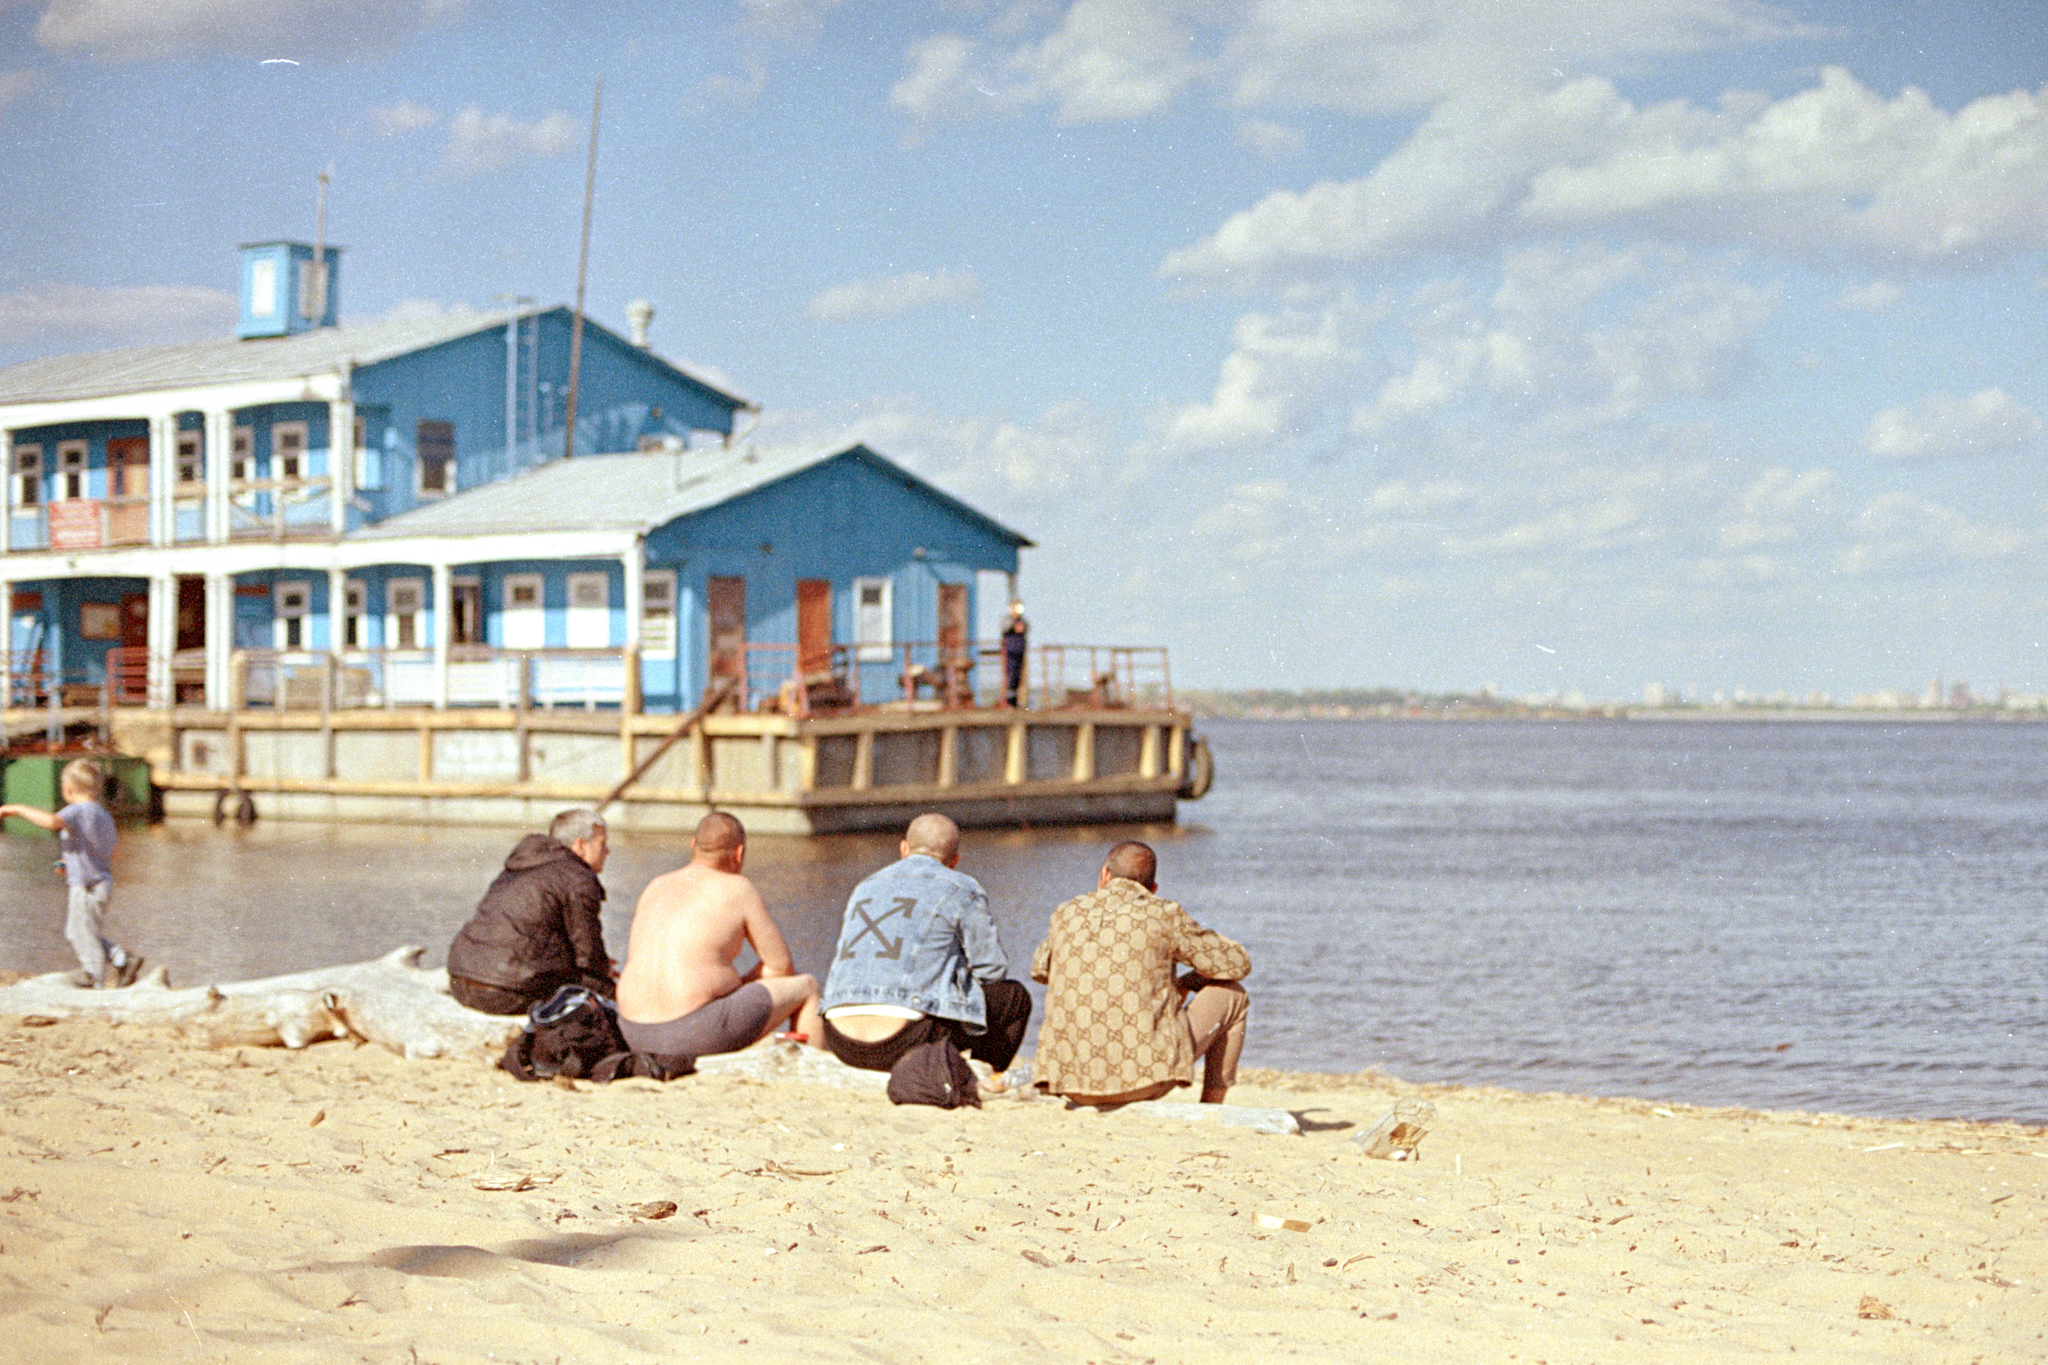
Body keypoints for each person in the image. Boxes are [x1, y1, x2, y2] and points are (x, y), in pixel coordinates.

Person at [1031, 840, 1250, 1105]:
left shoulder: (1066, 913)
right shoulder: (1163, 913)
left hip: (1069, 1084)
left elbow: (1040, 970)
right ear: (1153, 889)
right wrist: (1188, 981)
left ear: (1104, 875)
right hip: (1144, 1083)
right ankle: (1212, 1107)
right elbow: (1238, 963)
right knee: (1233, 996)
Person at [819, 812, 1032, 1084]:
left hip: (840, 1039)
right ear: (954, 860)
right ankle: (979, 1077)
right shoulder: (960, 887)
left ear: (903, 849)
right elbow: (992, 969)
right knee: (1014, 998)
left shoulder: (864, 886)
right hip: (901, 1040)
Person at [613, 811, 821, 1071]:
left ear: (693, 845)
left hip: (632, 1031)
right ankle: (814, 1072)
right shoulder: (737, 888)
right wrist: (742, 984)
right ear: (739, 854)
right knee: (808, 986)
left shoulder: (656, 885)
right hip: (692, 1034)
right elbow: (781, 967)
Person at [447, 808, 614, 1015]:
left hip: (461, 982)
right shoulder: (578, 877)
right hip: (508, 992)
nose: (607, 851)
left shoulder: (522, 865)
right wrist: (606, 972)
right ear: (580, 845)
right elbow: (589, 955)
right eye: (602, 843)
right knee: (612, 993)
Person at [1, 758, 141, 989]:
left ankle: (94, 979)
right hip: (102, 881)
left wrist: (16, 809)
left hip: (86, 885)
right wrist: (72, 862)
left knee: (82, 934)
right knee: (79, 930)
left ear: (68, 789)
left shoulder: (76, 810)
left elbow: (52, 821)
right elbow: (112, 853)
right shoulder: (104, 815)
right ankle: (121, 958)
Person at [1000, 600, 1029, 708]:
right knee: (1010, 677)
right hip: (1010, 653)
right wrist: (1013, 625)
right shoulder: (1008, 621)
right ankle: (1009, 701)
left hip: (1019, 652)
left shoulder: (1022, 621)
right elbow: (1005, 629)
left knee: (1018, 677)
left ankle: (1015, 701)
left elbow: (1026, 628)